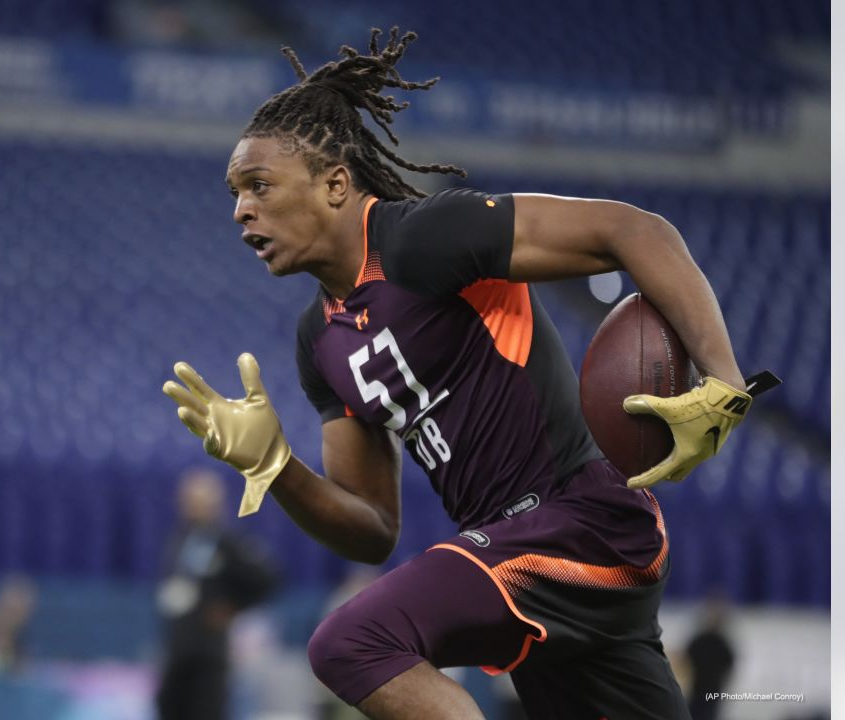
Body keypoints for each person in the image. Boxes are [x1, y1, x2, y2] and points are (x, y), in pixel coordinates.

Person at [162, 27, 754, 720]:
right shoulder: (317, 341)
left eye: (258, 185)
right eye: (235, 193)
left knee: (352, 640)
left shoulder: (423, 238)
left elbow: (636, 231)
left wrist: (724, 381)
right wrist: (276, 465)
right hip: (520, 564)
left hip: (580, 523)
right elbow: (373, 527)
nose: (240, 210)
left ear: (333, 183)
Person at [156, 469, 279, 720]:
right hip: (178, 647)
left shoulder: (228, 543)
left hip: (208, 652)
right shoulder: (181, 538)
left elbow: (268, 579)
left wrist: (233, 607)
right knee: (168, 705)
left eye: (199, 501)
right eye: (188, 500)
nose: (192, 507)